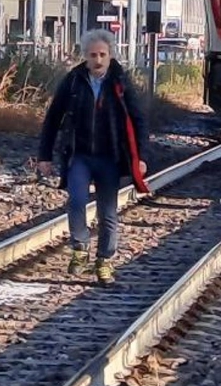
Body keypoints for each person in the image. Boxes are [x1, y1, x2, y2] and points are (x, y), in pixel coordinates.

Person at [36, 29, 150, 284]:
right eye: (92, 55)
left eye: (102, 54)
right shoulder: (74, 81)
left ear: (110, 56)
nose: (97, 60)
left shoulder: (120, 83)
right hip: (80, 155)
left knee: (107, 212)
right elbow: (53, 118)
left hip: (109, 157)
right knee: (77, 200)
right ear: (84, 57)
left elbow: (138, 120)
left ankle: (104, 261)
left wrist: (140, 156)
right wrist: (44, 155)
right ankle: (80, 248)